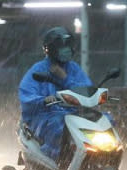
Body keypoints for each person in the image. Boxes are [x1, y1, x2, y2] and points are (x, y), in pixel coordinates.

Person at [18, 26, 93, 162]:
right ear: (50, 49)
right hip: (46, 115)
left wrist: (65, 78)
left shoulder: (74, 69)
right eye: (61, 46)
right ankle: (59, 164)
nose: (66, 49)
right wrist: (44, 100)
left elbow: (86, 91)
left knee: (105, 120)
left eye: (68, 45)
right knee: (60, 128)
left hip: (75, 114)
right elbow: (27, 96)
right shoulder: (38, 69)